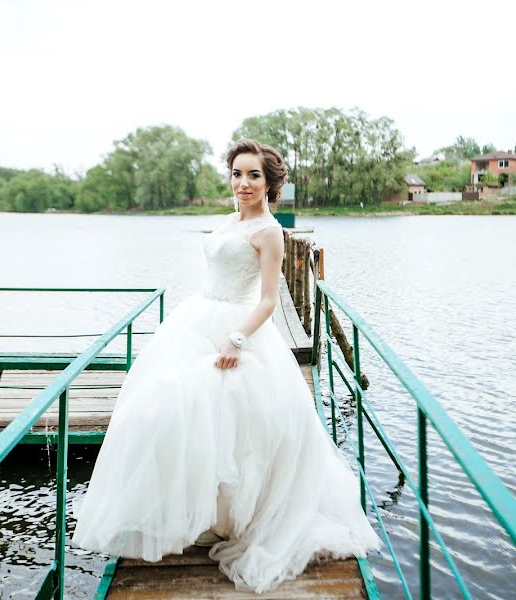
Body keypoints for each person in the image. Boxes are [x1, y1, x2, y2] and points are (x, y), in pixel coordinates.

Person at [71, 139, 378, 593]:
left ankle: (238, 518)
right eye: (237, 173)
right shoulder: (231, 219)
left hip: (239, 330)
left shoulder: (270, 232)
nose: (243, 183)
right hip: (197, 320)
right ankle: (194, 513)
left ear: (270, 184)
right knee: (163, 411)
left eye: (254, 175)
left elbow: (271, 300)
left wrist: (237, 339)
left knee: (235, 421)